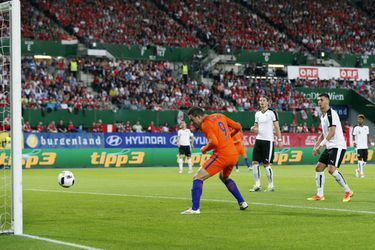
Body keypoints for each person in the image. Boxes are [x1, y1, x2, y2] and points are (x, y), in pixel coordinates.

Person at [181, 107, 248, 214]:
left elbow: (214, 142)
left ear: (198, 116)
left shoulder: (205, 124)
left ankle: (194, 209)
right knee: (224, 177)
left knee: (198, 177)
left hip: (222, 155)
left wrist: (204, 149)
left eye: (192, 120)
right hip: (233, 154)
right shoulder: (220, 116)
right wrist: (229, 137)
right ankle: (242, 202)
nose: (192, 123)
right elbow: (238, 127)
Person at [308, 93, 353, 202]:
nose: (319, 102)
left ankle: (348, 191)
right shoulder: (322, 116)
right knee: (318, 168)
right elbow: (324, 133)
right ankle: (320, 195)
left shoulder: (331, 114)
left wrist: (321, 145)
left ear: (327, 101)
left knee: (331, 169)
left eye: (321, 100)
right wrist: (316, 145)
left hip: (338, 146)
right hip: (329, 146)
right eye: (318, 100)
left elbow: (332, 132)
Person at [250, 96, 283, 192]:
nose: (261, 102)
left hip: (268, 141)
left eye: (263, 100)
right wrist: (253, 129)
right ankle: (257, 185)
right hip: (258, 140)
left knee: (266, 164)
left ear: (268, 102)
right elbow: (256, 127)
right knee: (255, 163)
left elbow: (277, 127)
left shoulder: (272, 113)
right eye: (260, 100)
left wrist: (280, 140)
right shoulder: (257, 114)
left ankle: (271, 185)